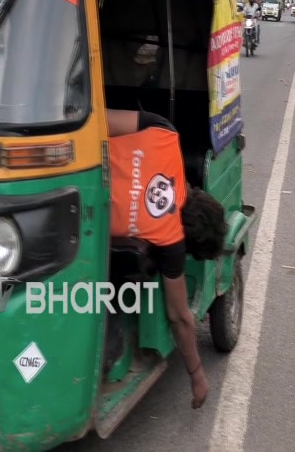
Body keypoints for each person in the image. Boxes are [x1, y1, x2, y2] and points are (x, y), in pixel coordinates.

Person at [106, 108, 228, 409]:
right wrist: (197, 375)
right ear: (189, 245)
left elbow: (101, 120)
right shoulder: (171, 242)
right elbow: (180, 317)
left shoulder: (166, 134)